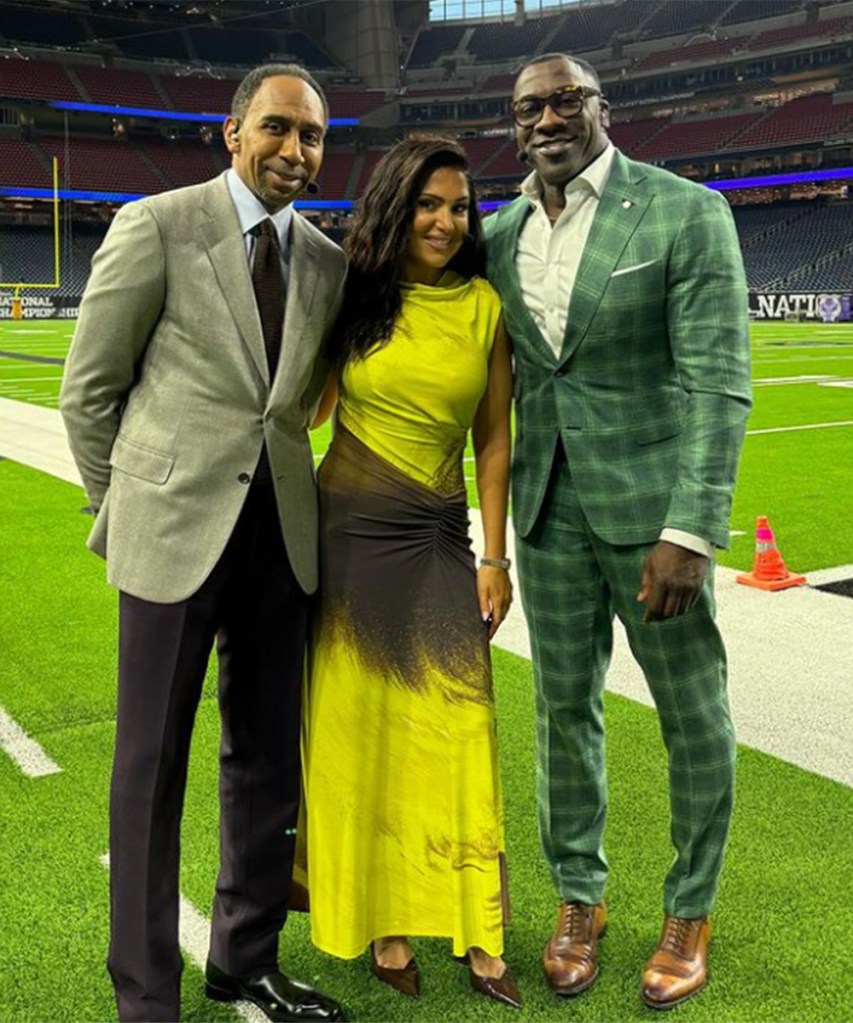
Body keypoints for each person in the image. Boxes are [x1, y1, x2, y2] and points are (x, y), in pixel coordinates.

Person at [59, 63, 346, 1023]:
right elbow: (89, 390)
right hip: (170, 536)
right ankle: (145, 992)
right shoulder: (158, 224)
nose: (294, 151)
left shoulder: (326, 259)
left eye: (310, 136)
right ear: (232, 133)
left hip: (281, 542)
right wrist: (126, 508)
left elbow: (293, 407)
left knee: (267, 759)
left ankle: (244, 959)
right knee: (149, 766)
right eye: (276, 128)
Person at [483, 53, 751, 1010]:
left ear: (603, 107)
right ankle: (578, 896)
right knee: (562, 713)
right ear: (513, 124)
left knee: (691, 714)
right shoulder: (499, 229)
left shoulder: (684, 209)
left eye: (565, 99)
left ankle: (690, 906)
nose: (547, 117)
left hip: (654, 524)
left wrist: (691, 526)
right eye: (529, 107)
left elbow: (719, 380)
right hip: (547, 514)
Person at [303, 135, 520, 1009]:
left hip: (435, 537)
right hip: (344, 537)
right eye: (428, 203)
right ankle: (384, 922)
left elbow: (494, 439)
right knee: (362, 737)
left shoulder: (482, 306)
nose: (444, 220)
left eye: (459, 206)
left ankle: (476, 920)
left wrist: (494, 555)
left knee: (459, 730)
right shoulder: (352, 297)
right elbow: (303, 409)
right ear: (398, 205)